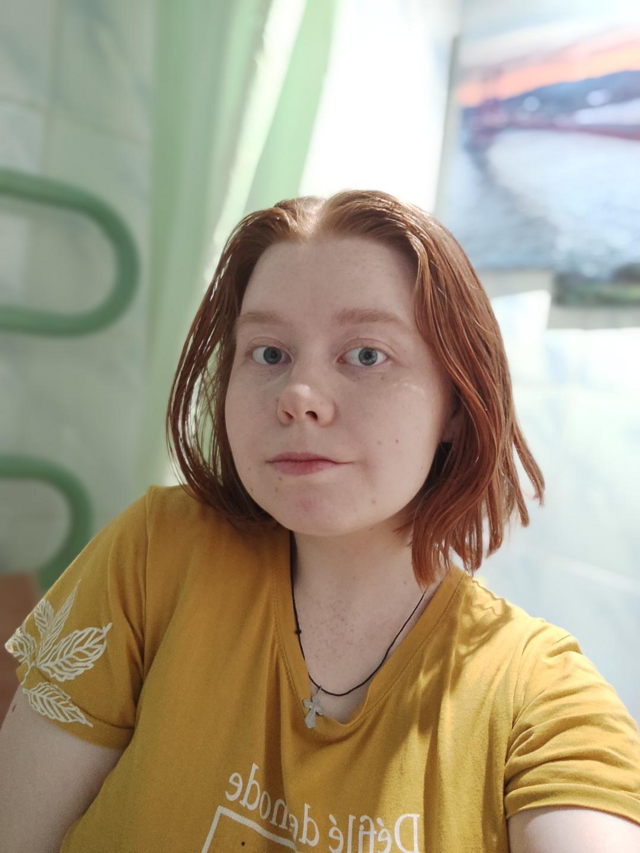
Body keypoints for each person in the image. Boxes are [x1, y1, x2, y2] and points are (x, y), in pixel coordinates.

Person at [2, 189, 640, 852]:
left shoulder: (541, 697)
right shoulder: (157, 552)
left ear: (455, 404)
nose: (298, 396)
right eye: (269, 353)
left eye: (365, 355)